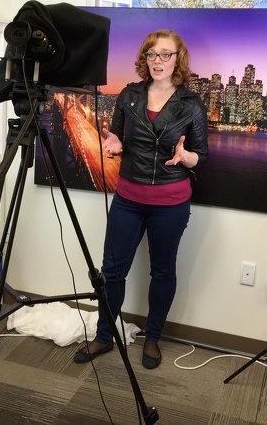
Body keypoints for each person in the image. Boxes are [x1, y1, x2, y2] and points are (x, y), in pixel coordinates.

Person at [73, 29, 209, 369]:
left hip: (171, 203)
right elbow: (117, 139)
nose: (157, 60)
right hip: (128, 199)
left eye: (165, 54)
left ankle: (152, 338)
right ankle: (104, 335)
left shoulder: (191, 105)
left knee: (162, 272)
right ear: (144, 59)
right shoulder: (129, 95)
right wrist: (115, 145)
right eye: (151, 54)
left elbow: (201, 157)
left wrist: (186, 157)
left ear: (178, 59)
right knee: (112, 270)